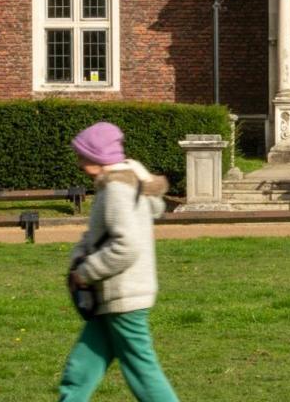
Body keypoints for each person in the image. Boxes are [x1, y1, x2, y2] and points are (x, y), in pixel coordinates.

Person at [59, 122, 182, 402]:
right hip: (112, 297)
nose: (78, 161)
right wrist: (79, 256)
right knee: (80, 370)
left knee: (143, 374)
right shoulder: (119, 184)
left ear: (97, 157)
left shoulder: (116, 189)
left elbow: (127, 246)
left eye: (82, 155)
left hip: (123, 297)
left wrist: (86, 272)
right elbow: (98, 236)